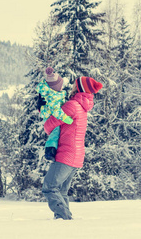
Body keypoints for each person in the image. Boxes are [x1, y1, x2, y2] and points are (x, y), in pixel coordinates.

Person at [42, 76, 103, 220]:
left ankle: (64, 217)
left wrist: (51, 131)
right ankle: (65, 222)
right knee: (62, 190)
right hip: (76, 156)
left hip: (66, 154)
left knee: (49, 187)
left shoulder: (72, 105)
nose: (73, 87)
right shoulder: (83, 107)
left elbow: (50, 124)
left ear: (79, 88)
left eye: (75, 85)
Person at [36, 67, 73, 161]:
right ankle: (50, 151)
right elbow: (56, 111)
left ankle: (52, 149)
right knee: (55, 132)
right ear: (56, 87)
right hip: (50, 116)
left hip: (48, 114)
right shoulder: (53, 97)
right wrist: (65, 118)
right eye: (60, 86)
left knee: (56, 132)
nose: (62, 88)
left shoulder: (50, 93)